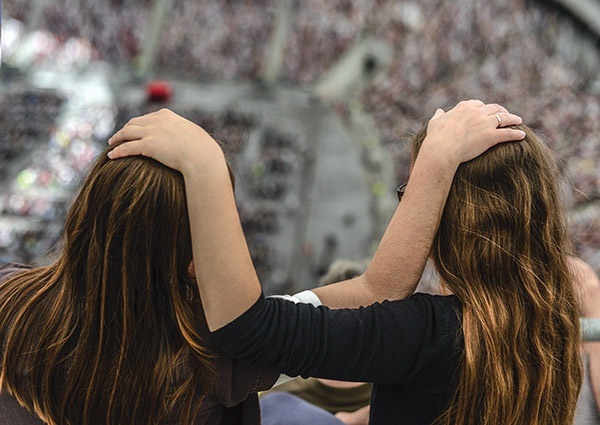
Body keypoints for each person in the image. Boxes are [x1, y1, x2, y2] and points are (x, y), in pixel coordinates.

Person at [108, 100, 582, 425]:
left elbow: (247, 330)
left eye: (416, 197)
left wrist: (205, 163)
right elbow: (382, 295)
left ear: (445, 221)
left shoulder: (429, 334)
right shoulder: (555, 315)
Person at [0, 149, 278, 424]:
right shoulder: (217, 351)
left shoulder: (9, 297)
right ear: (194, 257)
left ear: (82, 212)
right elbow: (310, 325)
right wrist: (207, 163)